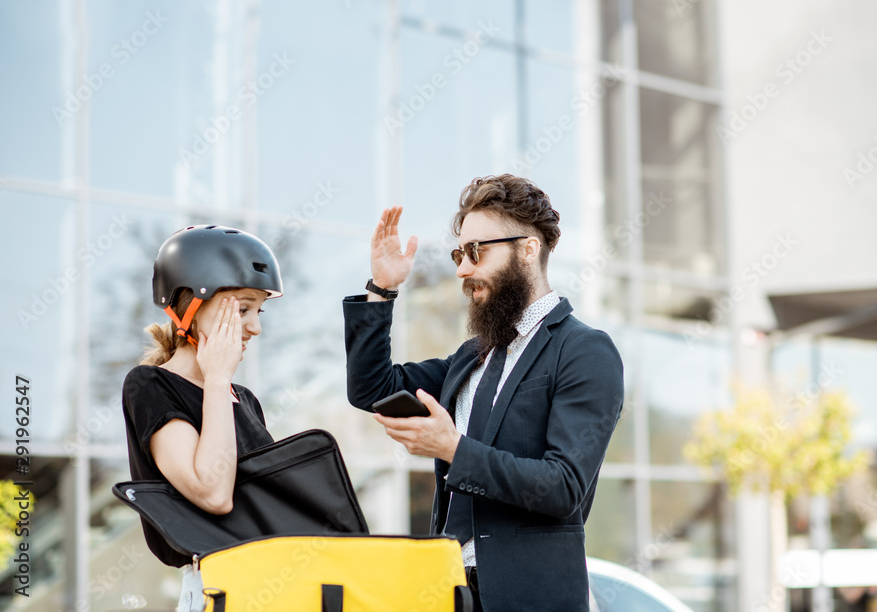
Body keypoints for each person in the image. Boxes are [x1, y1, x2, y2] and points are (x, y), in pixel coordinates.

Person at [343, 174, 625, 611]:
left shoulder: (584, 351)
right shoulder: (471, 357)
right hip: (450, 591)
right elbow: (371, 388)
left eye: (477, 251)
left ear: (528, 249)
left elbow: (564, 486)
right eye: (460, 253)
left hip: (529, 599)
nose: (462, 269)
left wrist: (454, 448)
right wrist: (382, 289)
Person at [121, 224, 283, 609]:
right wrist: (216, 376)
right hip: (218, 589)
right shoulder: (149, 386)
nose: (255, 327)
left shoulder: (243, 399)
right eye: (243, 308)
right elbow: (212, 492)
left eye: (259, 310)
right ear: (190, 305)